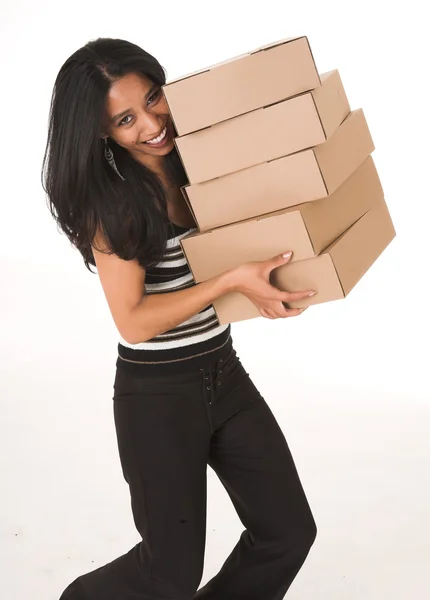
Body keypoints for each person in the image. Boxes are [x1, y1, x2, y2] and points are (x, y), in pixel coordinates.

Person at [42, 37, 318, 600]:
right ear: (102, 133)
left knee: (287, 531)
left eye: (154, 97)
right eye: (126, 119)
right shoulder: (114, 203)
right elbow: (135, 322)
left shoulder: (199, 165)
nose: (151, 124)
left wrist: (265, 284)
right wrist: (229, 283)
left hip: (223, 374)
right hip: (159, 397)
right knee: (167, 575)